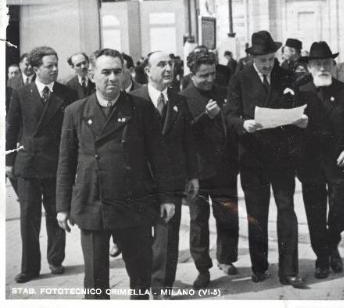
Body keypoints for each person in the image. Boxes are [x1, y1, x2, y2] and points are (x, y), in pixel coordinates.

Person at [56, 48, 176, 299]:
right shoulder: (75, 111)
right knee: (95, 281)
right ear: (91, 75)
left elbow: (160, 158)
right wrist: (62, 206)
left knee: (140, 277)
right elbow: (66, 163)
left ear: (125, 74)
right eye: (105, 72)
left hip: (134, 204)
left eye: (117, 72)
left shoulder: (141, 108)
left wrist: (166, 197)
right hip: (92, 203)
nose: (112, 78)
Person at [224, 30, 308, 288]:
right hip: (253, 158)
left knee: (286, 211)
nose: (268, 65)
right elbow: (230, 115)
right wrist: (243, 124)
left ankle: (289, 270)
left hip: (282, 158)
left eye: (271, 59)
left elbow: (298, 107)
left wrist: (301, 120)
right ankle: (259, 266)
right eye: (263, 61)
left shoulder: (287, 76)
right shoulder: (239, 79)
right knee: (257, 215)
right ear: (252, 59)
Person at [131, 51, 200, 298]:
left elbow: (188, 142)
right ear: (148, 71)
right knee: (140, 236)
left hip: (170, 179)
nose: (168, 68)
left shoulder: (179, 100)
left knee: (167, 235)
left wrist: (192, 175)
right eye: (161, 64)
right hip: (140, 179)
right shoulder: (132, 99)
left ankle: (161, 288)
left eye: (170, 63)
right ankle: (142, 282)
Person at [6, 46, 77, 283]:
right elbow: (12, 128)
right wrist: (8, 162)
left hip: (57, 164)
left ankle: (55, 259)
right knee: (28, 217)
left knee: (57, 215)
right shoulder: (21, 93)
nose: (55, 69)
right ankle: (30, 267)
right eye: (49, 65)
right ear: (36, 68)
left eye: (56, 64)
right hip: (28, 165)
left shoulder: (67, 94)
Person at [297, 42, 344, 279]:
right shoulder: (300, 92)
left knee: (340, 206)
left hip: (339, 161)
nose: (322, 68)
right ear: (310, 67)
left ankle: (333, 241)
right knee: (314, 212)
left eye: (326, 63)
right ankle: (322, 257)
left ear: (333, 65)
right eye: (317, 64)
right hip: (310, 163)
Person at [181, 51, 240, 289]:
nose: (209, 79)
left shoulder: (223, 93)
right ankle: (202, 268)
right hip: (198, 172)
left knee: (227, 216)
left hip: (225, 168)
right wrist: (207, 117)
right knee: (199, 221)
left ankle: (225, 258)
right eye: (203, 75)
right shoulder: (183, 98)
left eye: (212, 74)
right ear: (192, 74)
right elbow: (183, 136)